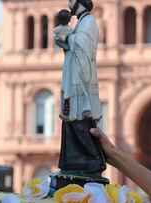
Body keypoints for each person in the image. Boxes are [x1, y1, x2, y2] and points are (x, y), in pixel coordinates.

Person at [53, 0, 107, 182]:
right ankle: (73, 162)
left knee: (80, 119)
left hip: (80, 77)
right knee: (72, 119)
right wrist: (64, 41)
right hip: (74, 74)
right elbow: (76, 46)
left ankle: (92, 160)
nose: (69, 5)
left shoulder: (89, 21)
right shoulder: (80, 21)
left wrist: (68, 38)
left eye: (71, 2)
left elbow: (85, 44)